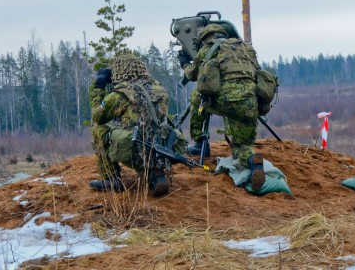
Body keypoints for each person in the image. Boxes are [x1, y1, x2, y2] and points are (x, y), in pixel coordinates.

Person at [177, 23, 266, 192]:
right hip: (250, 104)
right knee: (240, 146)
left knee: (197, 96)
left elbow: (192, 75)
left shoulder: (209, 49)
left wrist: (184, 63)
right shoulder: (246, 49)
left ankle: (200, 142)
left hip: (225, 102)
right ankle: (252, 160)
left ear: (205, 39)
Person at [88, 53, 186, 196]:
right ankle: (152, 173)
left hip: (135, 152)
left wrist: (99, 85)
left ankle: (111, 178)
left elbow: (98, 116)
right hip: (163, 152)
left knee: (99, 128)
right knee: (151, 129)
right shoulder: (159, 89)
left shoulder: (120, 94)